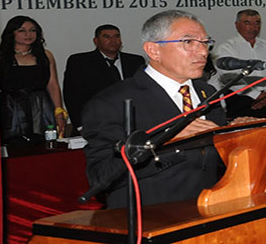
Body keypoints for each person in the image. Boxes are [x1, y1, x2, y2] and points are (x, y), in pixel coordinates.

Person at [82, 10, 228, 209]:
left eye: (205, 42)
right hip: (150, 216)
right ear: (153, 50)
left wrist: (239, 136)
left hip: (208, 210)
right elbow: (101, 177)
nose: (203, 52)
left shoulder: (207, 92)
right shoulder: (111, 102)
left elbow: (215, 160)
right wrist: (167, 142)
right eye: (188, 42)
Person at [0, 16, 66, 143]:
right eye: (22, 30)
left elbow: (53, 85)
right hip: (11, 107)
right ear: (11, 33)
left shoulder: (46, 55)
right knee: (14, 145)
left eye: (32, 30)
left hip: (41, 106)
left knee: (44, 144)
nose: (28, 34)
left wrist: (59, 113)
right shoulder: (0, 56)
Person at [63, 24, 145, 131]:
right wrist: (80, 126)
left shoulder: (135, 61)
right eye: (107, 37)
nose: (113, 40)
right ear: (96, 41)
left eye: (116, 36)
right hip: (96, 123)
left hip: (133, 122)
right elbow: (72, 96)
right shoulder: (80, 62)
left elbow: (143, 91)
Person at [210, 9, 266, 118]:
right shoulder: (227, 48)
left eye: (257, 23)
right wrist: (256, 95)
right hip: (240, 101)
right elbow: (228, 77)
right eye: (248, 23)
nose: (253, 28)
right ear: (237, 25)